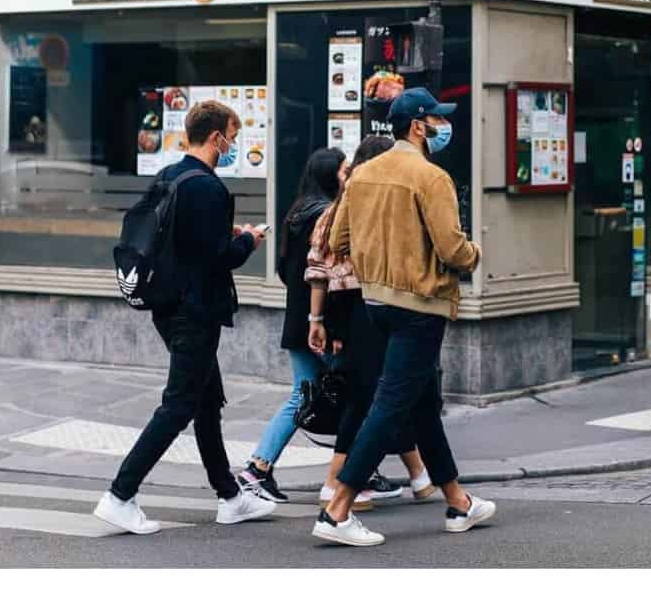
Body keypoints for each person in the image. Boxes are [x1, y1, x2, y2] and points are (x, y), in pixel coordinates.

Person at [316, 89, 491, 548]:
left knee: (421, 403)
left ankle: (458, 501)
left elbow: (338, 237)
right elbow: (453, 249)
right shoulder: (431, 177)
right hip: (421, 305)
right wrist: (474, 255)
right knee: (392, 403)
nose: (440, 126)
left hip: (376, 303)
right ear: (418, 125)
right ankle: (338, 507)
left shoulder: (362, 174)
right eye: (436, 119)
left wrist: (379, 260)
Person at [94, 100, 277, 535]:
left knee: (206, 401)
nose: (233, 145)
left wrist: (224, 233)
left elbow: (180, 239)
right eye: (232, 137)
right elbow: (217, 260)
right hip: (195, 310)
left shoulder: (170, 176)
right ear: (216, 138)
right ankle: (120, 495)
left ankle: (230, 497)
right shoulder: (208, 188)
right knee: (178, 406)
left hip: (167, 304)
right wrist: (248, 240)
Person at [304, 136, 435, 510]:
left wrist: (317, 318)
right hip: (369, 305)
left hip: (349, 308)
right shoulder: (369, 200)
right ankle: (336, 485)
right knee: (368, 397)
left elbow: (317, 267)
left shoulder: (336, 206)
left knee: (391, 392)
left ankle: (422, 475)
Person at [236, 147, 343, 503]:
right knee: (354, 390)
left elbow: (284, 271)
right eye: (343, 170)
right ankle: (357, 473)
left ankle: (258, 468)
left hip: (299, 317)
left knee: (306, 392)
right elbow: (324, 274)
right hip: (321, 321)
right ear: (332, 176)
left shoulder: (297, 212)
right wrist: (324, 319)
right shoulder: (327, 215)